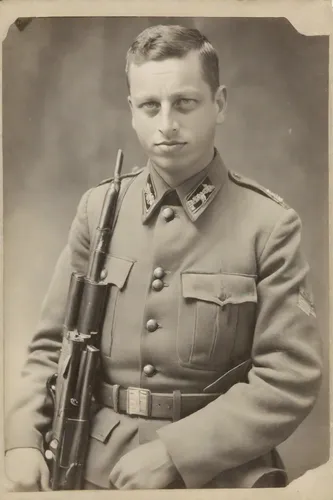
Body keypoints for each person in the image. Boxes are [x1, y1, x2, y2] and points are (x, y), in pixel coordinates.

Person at [4, 24, 323, 491]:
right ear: (132, 111)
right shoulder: (98, 210)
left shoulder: (268, 225)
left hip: (219, 477)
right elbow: (53, 347)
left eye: (185, 102)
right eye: (151, 105)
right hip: (95, 468)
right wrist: (22, 441)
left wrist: (178, 453)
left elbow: (290, 379)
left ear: (220, 103)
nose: (167, 123)